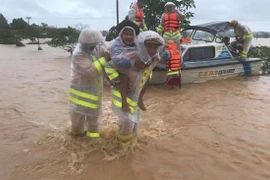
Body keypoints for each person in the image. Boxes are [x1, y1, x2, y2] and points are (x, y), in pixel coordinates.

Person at [106, 30, 164, 148]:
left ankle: (133, 144)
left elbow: (147, 75)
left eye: (155, 47)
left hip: (136, 94)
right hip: (122, 92)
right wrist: (123, 102)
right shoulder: (130, 58)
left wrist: (140, 97)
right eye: (149, 46)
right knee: (127, 122)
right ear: (142, 46)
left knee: (135, 122)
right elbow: (124, 78)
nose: (152, 50)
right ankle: (123, 148)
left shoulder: (153, 58)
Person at [69, 28, 110, 138]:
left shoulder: (97, 47)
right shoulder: (78, 54)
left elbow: (109, 54)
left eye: (95, 44)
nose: (94, 47)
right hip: (79, 92)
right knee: (77, 125)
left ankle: (92, 144)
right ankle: (77, 141)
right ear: (83, 43)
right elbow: (92, 71)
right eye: (90, 45)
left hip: (94, 92)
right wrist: (105, 59)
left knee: (93, 123)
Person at [105, 20, 141, 113]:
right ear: (121, 35)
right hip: (118, 66)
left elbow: (144, 53)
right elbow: (117, 59)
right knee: (124, 76)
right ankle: (124, 101)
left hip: (132, 70)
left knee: (147, 75)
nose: (128, 36)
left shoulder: (137, 44)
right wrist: (133, 62)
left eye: (131, 34)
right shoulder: (116, 44)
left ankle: (140, 98)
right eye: (126, 34)